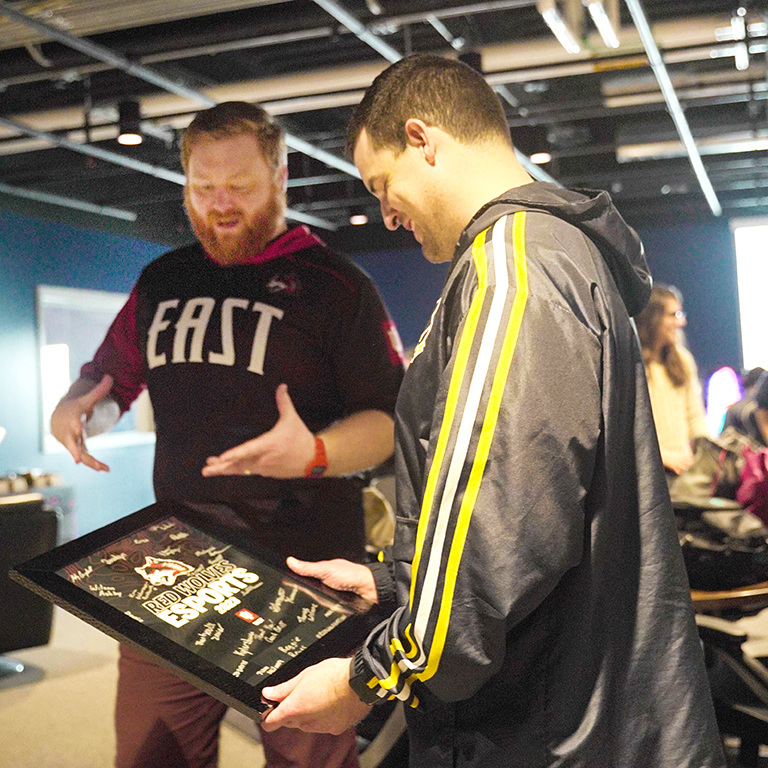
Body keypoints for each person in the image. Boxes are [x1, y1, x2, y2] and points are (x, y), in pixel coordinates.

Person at [256, 54, 726, 767]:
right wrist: (395, 584)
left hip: (545, 728)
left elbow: (498, 530)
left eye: (382, 185)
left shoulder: (513, 267)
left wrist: (368, 678)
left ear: (423, 140)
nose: (386, 214)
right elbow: (538, 513)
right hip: (576, 703)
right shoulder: (551, 254)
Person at [50, 101, 405, 768]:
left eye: (239, 186)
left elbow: (388, 424)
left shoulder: (337, 286)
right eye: (203, 186)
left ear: (279, 177)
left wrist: (315, 454)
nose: (219, 204)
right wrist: (78, 411)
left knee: (309, 761)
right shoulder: (163, 280)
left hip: (302, 572)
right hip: (174, 566)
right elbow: (109, 381)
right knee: (150, 755)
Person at [635, 283, 710, 475]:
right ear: (652, 318)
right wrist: (661, 456)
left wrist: (705, 451)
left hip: (684, 469)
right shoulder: (633, 363)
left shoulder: (682, 360)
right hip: (648, 472)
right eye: (673, 315)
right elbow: (628, 429)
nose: (681, 322)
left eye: (680, 314)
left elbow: (695, 416)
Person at [724, 367, 768, 447]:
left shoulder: (735, 409)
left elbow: (725, 436)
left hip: (742, 450)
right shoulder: (743, 410)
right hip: (753, 450)